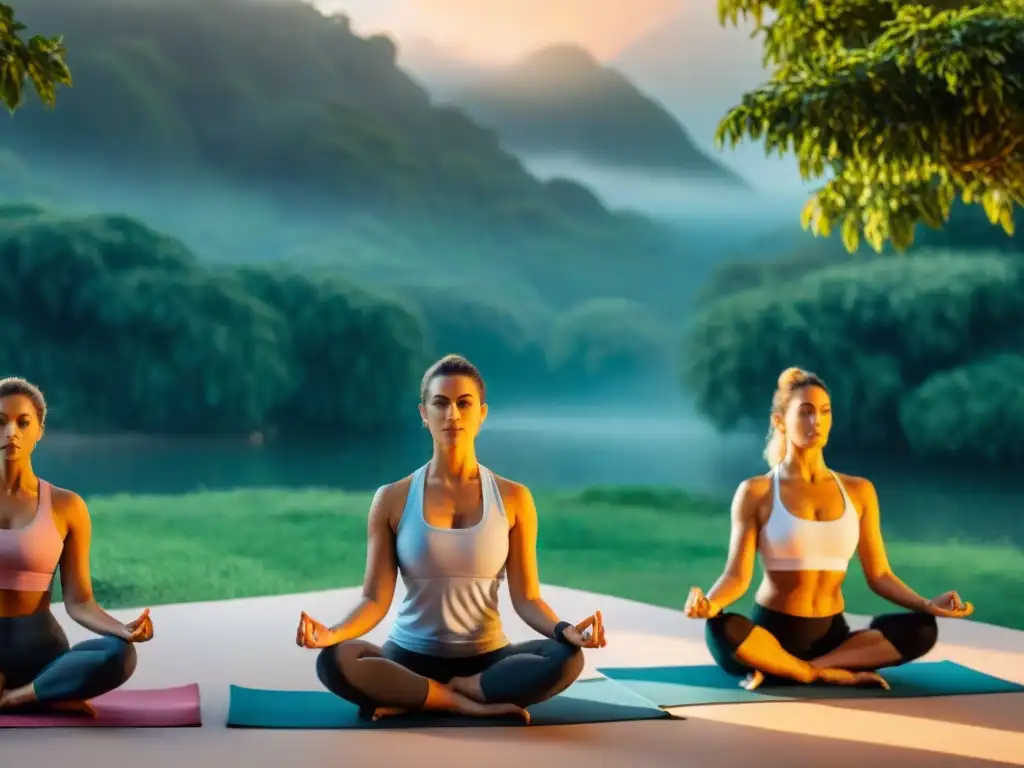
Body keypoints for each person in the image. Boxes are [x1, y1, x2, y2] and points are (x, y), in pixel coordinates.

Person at [296, 354, 606, 723]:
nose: (452, 415)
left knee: (566, 658)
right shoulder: (392, 498)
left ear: (482, 413)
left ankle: (439, 694)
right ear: (424, 413)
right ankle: (459, 701)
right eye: (440, 404)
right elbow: (374, 599)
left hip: (487, 661)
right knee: (334, 661)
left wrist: (566, 630)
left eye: (464, 404)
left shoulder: (514, 498)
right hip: (408, 658)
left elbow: (527, 598)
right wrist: (330, 634)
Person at [684, 367, 974, 690]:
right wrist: (710, 603)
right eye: (805, 413)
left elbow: (879, 575)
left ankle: (797, 668)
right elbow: (737, 576)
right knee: (720, 629)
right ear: (779, 422)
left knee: (923, 629)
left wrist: (925, 604)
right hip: (769, 634)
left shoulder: (859, 491)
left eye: (824, 412)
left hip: (834, 638)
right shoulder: (757, 492)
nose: (816, 422)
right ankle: (812, 672)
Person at [0, 377, 153, 716]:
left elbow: (80, 601)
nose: (10, 432)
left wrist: (123, 629)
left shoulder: (66, 506)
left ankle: (20, 696)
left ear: (38, 430)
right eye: (0, 422)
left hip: (40, 652)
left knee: (119, 654)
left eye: (22, 422)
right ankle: (49, 696)